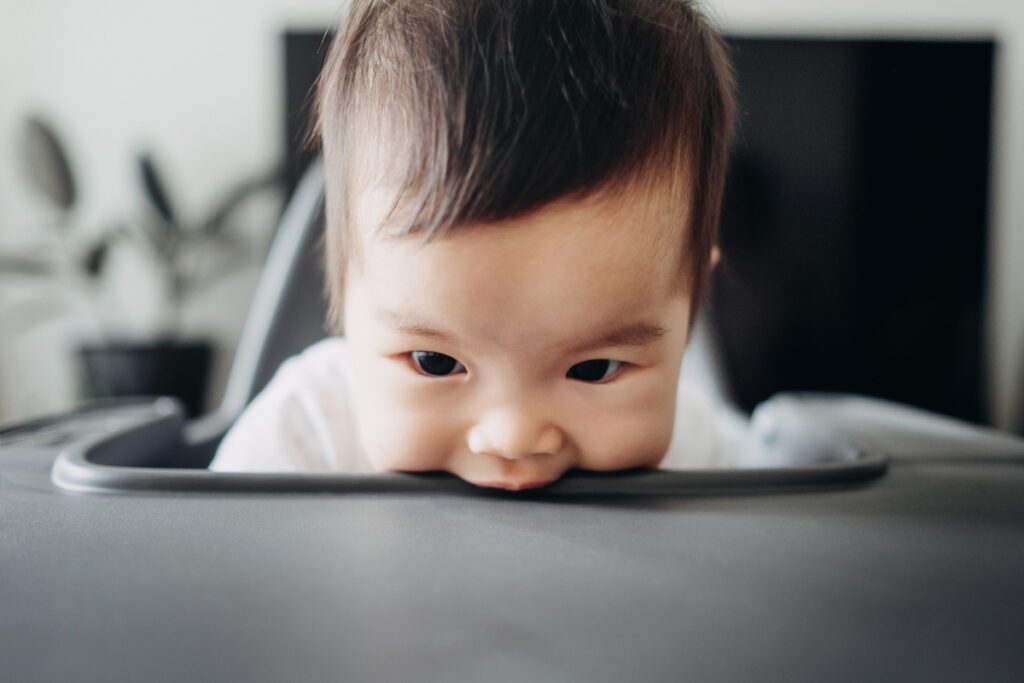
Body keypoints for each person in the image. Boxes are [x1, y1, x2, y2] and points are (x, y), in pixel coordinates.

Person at [210, 0, 737, 490]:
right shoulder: (301, 437)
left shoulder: (703, 451)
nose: (512, 438)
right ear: (344, 294)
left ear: (694, 300)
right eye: (434, 362)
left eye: (594, 369)